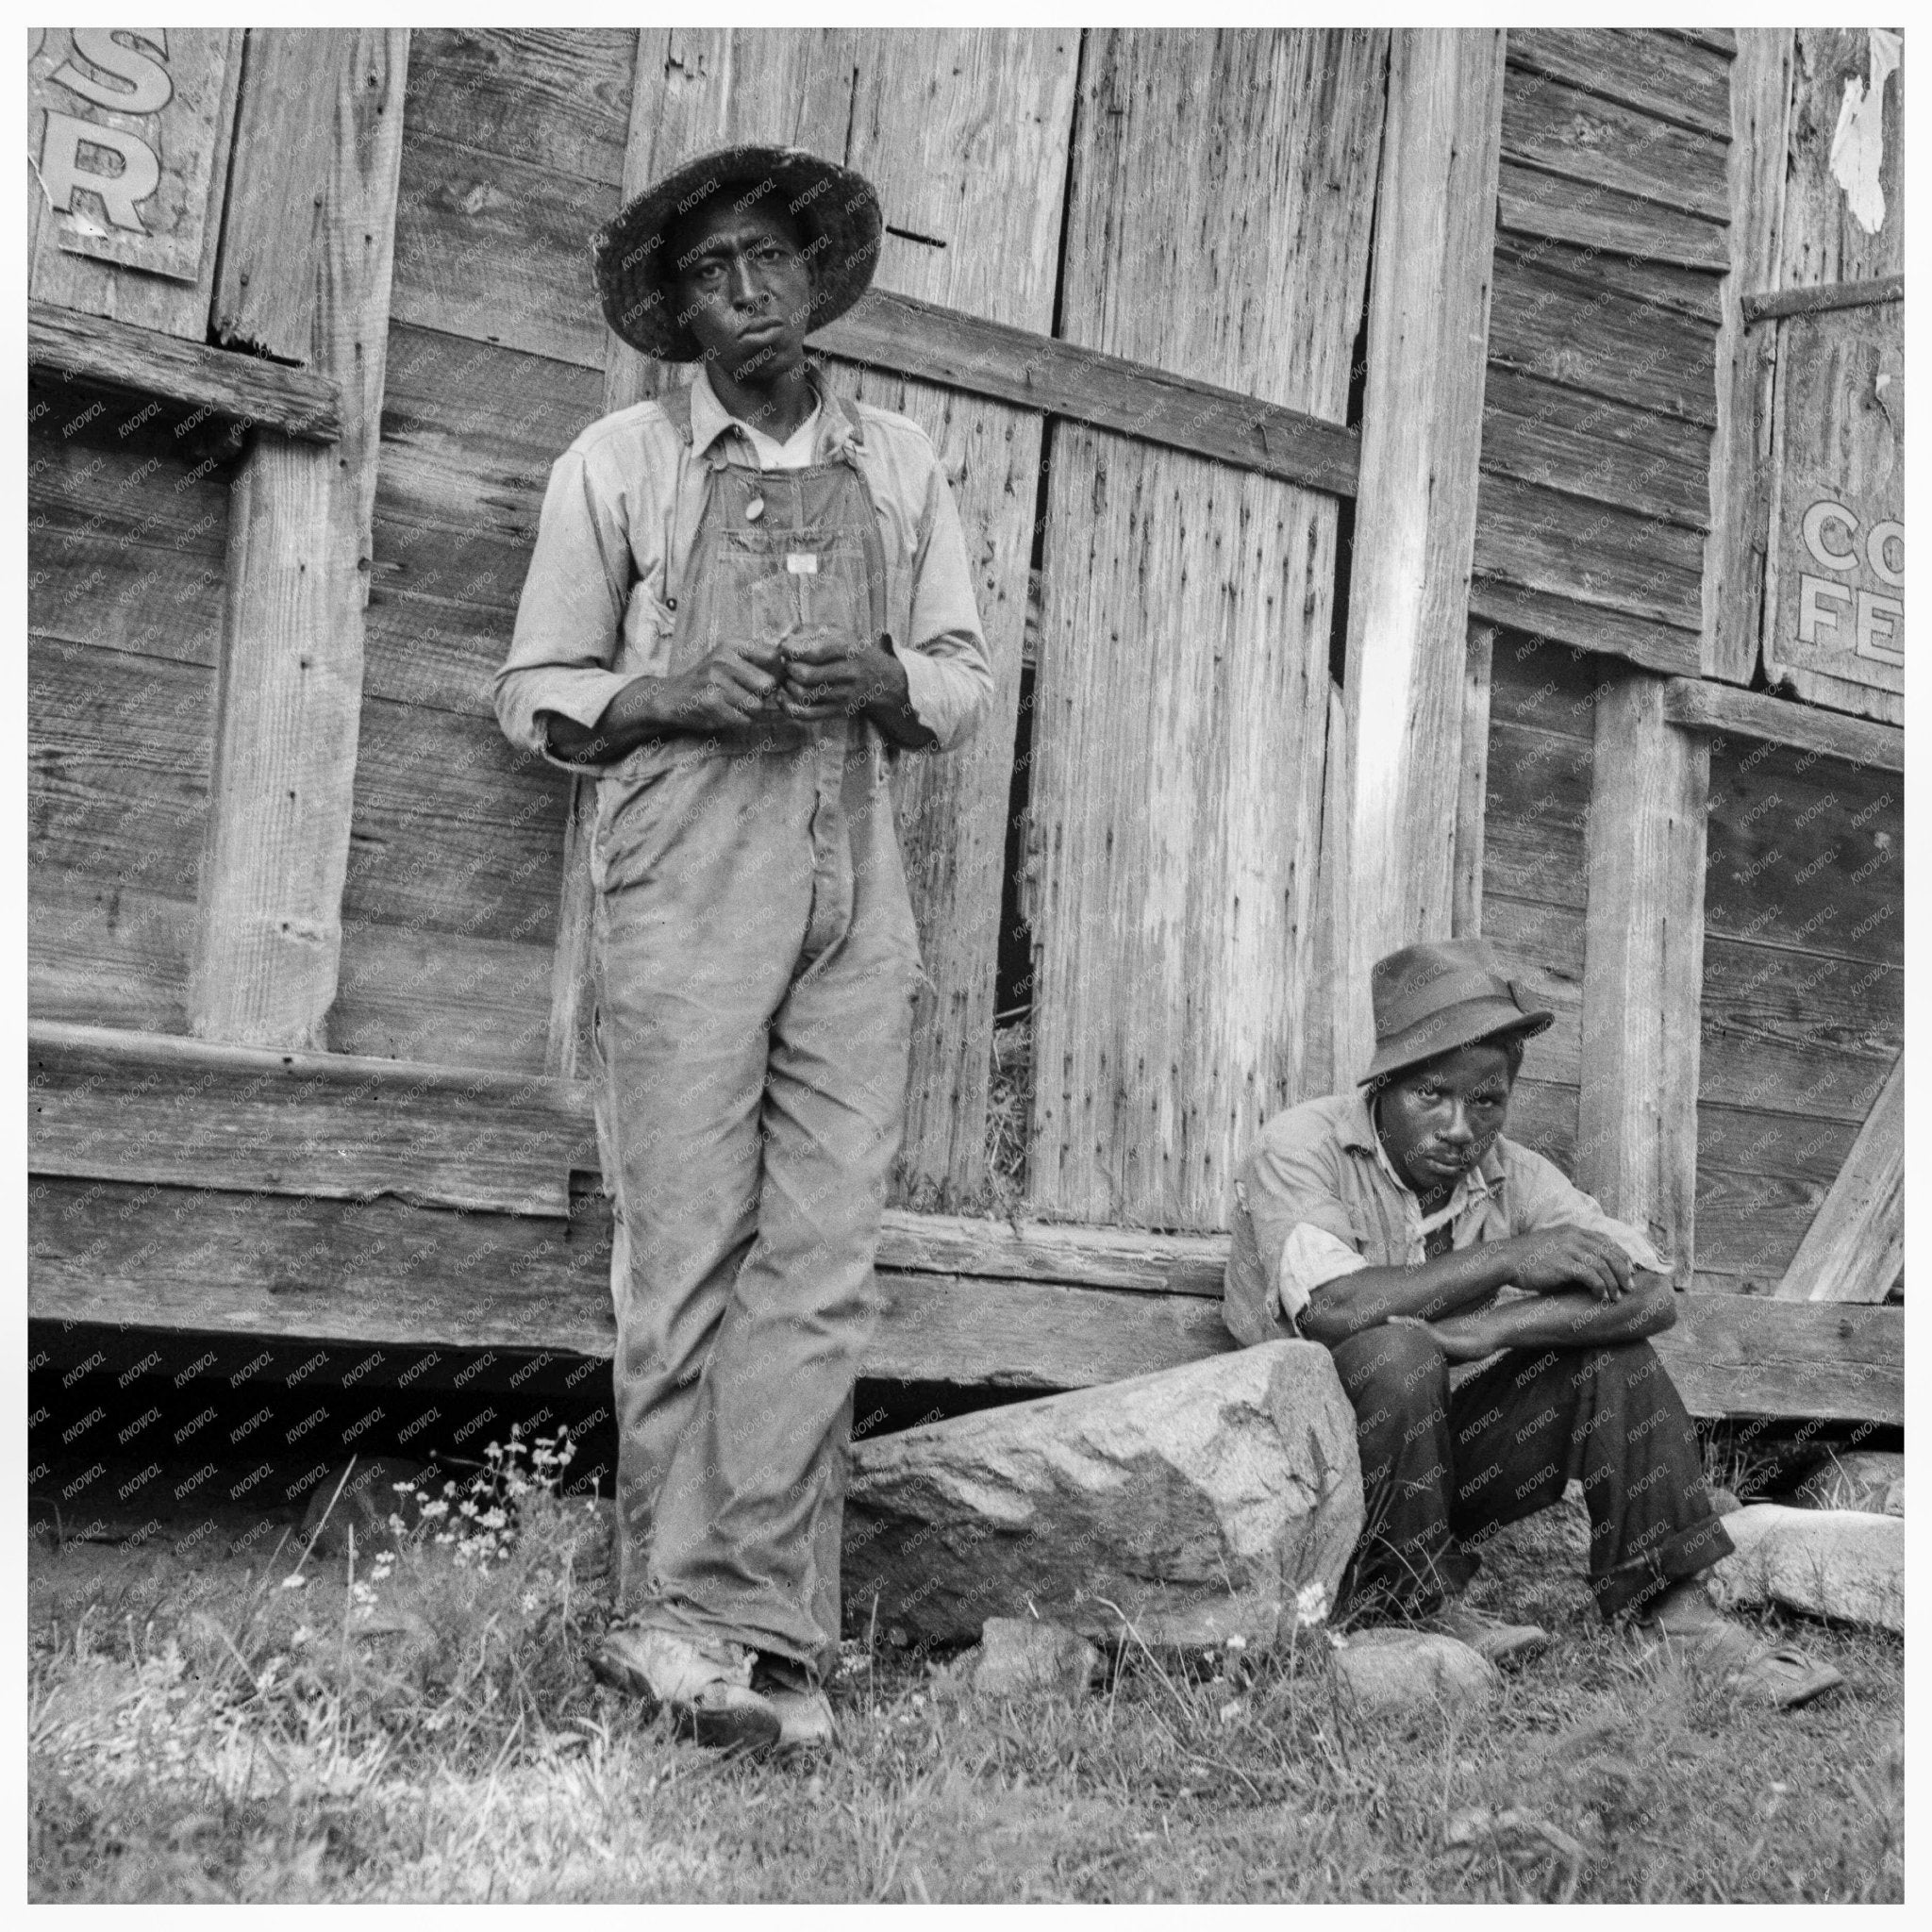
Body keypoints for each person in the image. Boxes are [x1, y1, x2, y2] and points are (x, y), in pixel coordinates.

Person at [492, 144, 992, 1753]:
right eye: (708, 273)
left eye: (766, 256)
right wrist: (671, 695)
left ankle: (767, 1629)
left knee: (822, 1253)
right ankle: (668, 1618)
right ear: (676, 309)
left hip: (853, 864)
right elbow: (538, 687)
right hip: (685, 862)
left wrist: (887, 679)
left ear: (813, 271)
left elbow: (965, 677)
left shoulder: (901, 461)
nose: (744, 291)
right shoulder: (619, 463)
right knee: (688, 1238)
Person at [1223, 938, 1842, 1707]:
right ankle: (1404, 1608)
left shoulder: (1512, 1172)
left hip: (1429, 1469)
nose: (1459, 1127)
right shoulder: (1304, 1145)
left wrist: (1494, 1331)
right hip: (1303, 1483)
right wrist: (1511, 1259)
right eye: (1431, 1097)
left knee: (1611, 1357)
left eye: (1486, 1101)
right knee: (1397, 1347)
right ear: (1383, 1085)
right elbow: (1334, 1308)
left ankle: (1676, 1620)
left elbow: (1650, 1296)